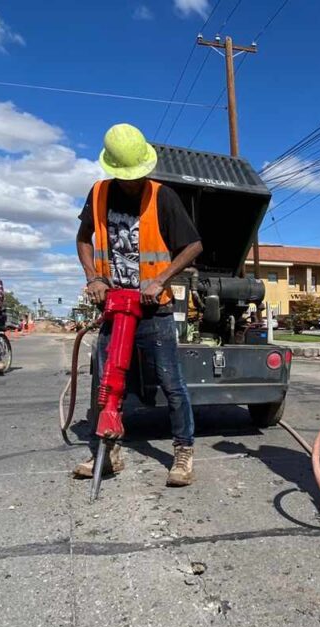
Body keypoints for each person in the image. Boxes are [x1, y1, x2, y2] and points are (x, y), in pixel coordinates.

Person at [73, 123, 204, 487]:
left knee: (170, 382)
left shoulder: (162, 196)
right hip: (114, 308)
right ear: (112, 169)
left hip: (154, 311)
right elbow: (83, 237)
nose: (133, 182)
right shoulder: (99, 193)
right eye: (127, 177)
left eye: (138, 175)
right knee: (106, 383)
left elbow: (193, 245)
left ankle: (183, 451)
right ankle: (108, 452)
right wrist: (92, 277)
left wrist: (161, 278)